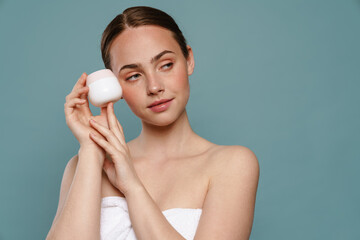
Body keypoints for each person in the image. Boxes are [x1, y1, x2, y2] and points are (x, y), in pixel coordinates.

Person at [46, 6, 259, 240]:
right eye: (134, 76)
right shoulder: (83, 165)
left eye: (166, 64)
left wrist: (132, 186)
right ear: (114, 85)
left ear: (188, 60)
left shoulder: (232, 165)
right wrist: (90, 149)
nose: (154, 87)